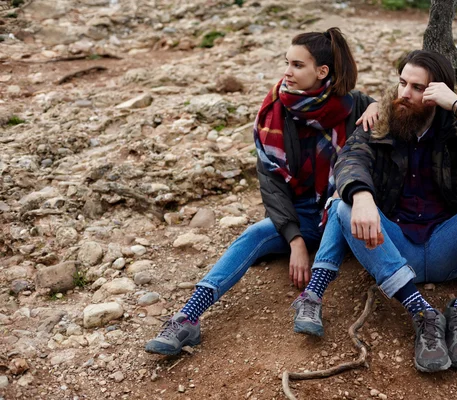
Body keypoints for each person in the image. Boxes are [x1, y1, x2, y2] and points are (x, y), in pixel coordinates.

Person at [145, 27, 379, 356]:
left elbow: (395, 112)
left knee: (341, 205)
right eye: (287, 63)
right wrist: (294, 239)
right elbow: (270, 183)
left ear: (321, 71)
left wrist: (378, 106)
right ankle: (187, 318)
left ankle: (311, 297)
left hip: (338, 216)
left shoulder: (354, 106)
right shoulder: (275, 111)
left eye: (297, 65)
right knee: (253, 234)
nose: (287, 72)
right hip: (298, 216)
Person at [292, 49, 457, 373]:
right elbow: (350, 160)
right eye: (402, 83)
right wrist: (361, 196)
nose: (404, 93)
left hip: (449, 244)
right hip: (396, 248)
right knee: (345, 204)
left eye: (417, 87)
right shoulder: (381, 120)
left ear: (437, 92)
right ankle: (421, 313)